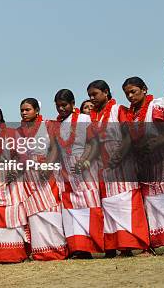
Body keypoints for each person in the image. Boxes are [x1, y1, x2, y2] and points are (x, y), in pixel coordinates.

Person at [87, 80, 149, 256]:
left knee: (126, 203)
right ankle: (114, 246)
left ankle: (131, 245)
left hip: (123, 162)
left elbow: (128, 136)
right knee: (110, 205)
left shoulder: (119, 109)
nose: (92, 98)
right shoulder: (93, 116)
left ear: (106, 93)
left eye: (95, 94)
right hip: (103, 167)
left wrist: (119, 156)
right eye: (90, 95)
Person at [50, 89, 104, 258]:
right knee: (71, 210)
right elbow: (55, 150)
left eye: (64, 105)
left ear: (73, 104)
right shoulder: (56, 125)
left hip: (85, 167)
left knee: (90, 206)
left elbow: (95, 143)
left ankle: (94, 245)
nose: (61, 109)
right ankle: (79, 249)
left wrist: (86, 161)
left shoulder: (84, 119)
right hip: (66, 171)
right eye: (58, 106)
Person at [121, 76, 164, 250]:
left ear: (144, 89)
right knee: (151, 202)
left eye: (133, 91)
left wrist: (155, 143)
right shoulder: (131, 114)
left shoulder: (156, 106)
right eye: (127, 93)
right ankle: (162, 242)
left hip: (163, 159)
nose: (130, 96)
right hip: (144, 164)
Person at [18, 98, 68, 260]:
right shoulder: (19, 131)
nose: (24, 113)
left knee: (50, 210)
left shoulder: (48, 125)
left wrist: (47, 167)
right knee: (34, 214)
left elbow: (54, 148)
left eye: (27, 110)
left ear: (37, 111)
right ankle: (40, 252)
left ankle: (57, 250)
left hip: (47, 172)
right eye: (22, 110)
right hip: (28, 176)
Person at [0, 105, 29, 263]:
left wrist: (15, 170)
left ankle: (14, 255)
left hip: (11, 180)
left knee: (12, 216)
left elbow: (23, 156)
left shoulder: (12, 133)